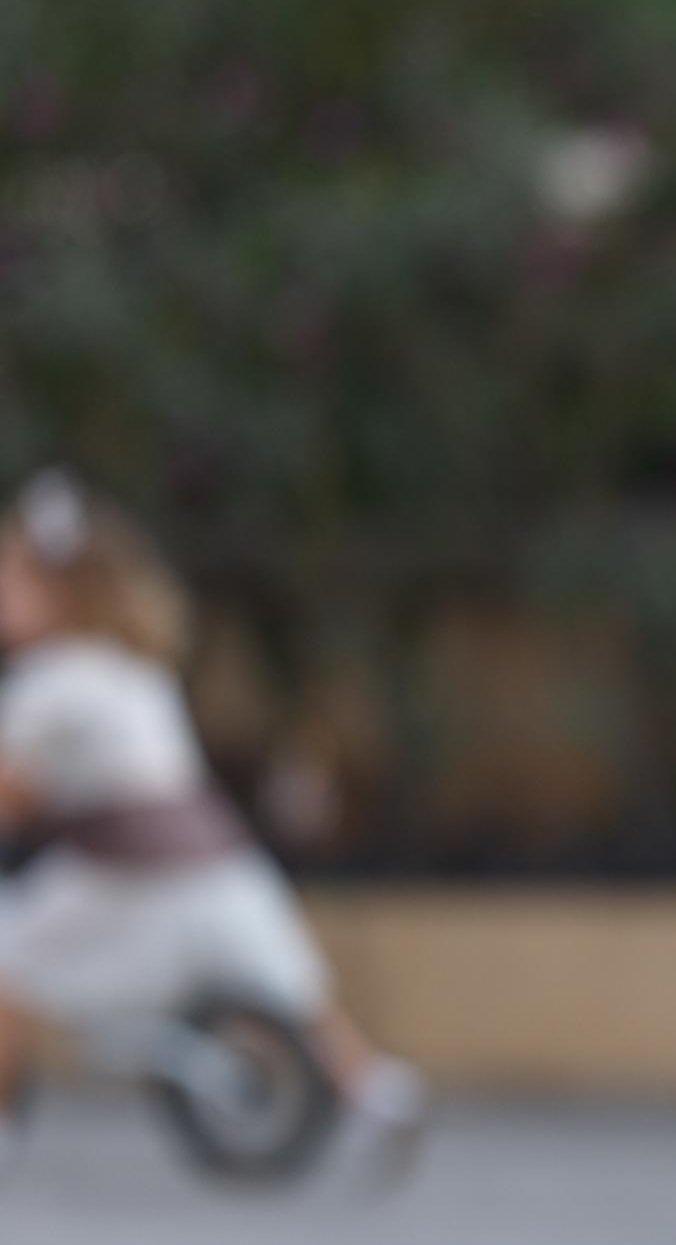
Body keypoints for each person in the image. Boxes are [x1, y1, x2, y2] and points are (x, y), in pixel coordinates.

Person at [0, 470, 427, 1177]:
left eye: (13, 580)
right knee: (290, 987)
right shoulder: (134, 669)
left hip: (128, 875)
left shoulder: (56, 683)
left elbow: (15, 789)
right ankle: (379, 1094)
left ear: (61, 594)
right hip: (215, 858)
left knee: (8, 960)